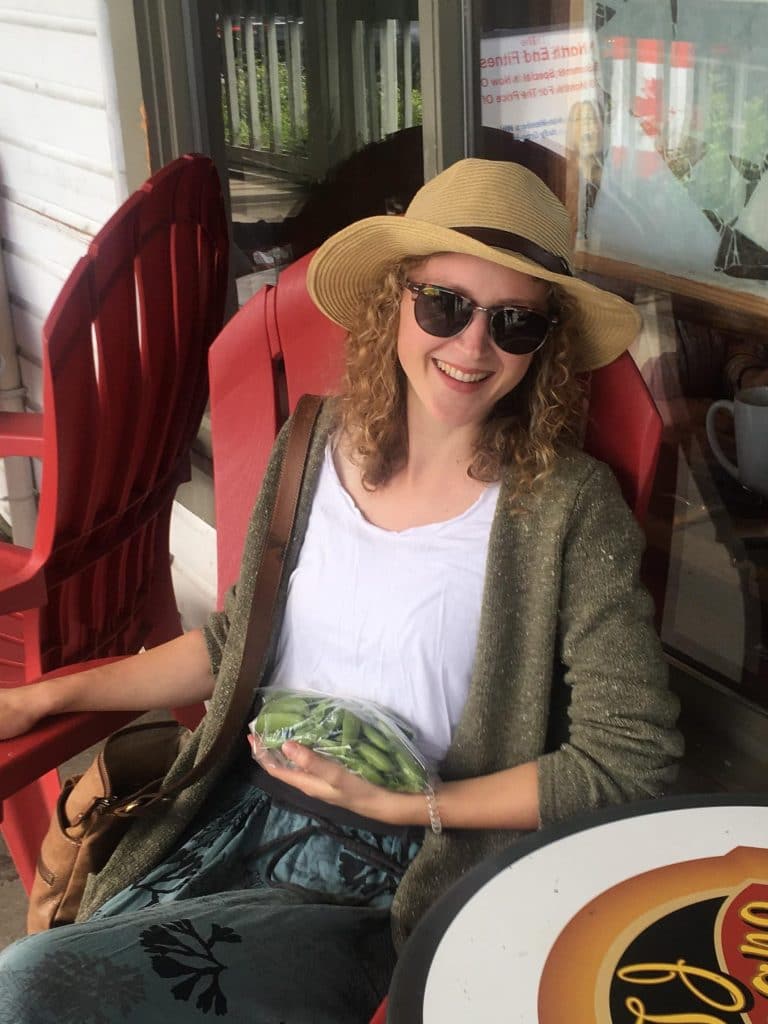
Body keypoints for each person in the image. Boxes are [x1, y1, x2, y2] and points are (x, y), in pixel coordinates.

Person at [0, 158, 682, 1022]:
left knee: (38, 988)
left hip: (392, 873)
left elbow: (630, 758)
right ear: (395, 301)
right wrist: (40, 699)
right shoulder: (310, 446)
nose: (473, 347)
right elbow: (234, 643)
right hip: (227, 810)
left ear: (542, 347)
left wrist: (410, 804)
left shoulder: (566, 508)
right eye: (445, 305)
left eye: (514, 324)